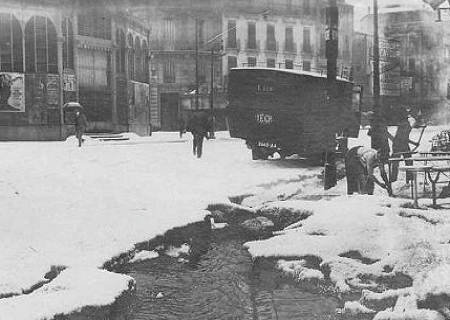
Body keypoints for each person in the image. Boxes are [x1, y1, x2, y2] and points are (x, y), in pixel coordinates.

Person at [388, 111, 419, 183]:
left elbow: (405, 138)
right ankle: (393, 180)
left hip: (404, 144)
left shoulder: (406, 124)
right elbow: (402, 137)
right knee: (395, 162)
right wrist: (394, 140)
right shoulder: (404, 124)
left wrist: (414, 143)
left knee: (409, 161)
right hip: (398, 145)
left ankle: (409, 179)